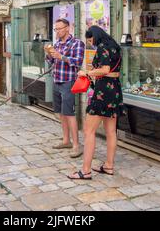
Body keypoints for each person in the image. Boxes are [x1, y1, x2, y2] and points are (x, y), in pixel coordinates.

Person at [68, 26, 124, 180]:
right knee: (111, 131)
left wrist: (87, 72)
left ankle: (85, 171)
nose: (91, 43)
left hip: (103, 91)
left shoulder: (102, 48)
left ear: (96, 37)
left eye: (91, 40)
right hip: (115, 90)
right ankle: (108, 166)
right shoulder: (115, 47)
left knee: (88, 131)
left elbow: (104, 69)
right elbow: (112, 69)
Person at [45, 18, 85, 158]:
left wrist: (61, 57)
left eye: (59, 28)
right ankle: (66, 140)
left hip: (68, 82)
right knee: (61, 113)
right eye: (56, 29)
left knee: (69, 114)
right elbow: (51, 61)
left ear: (67, 28)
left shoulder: (77, 43)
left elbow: (78, 62)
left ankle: (76, 145)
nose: (57, 31)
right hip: (56, 80)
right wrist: (49, 54)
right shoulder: (57, 44)